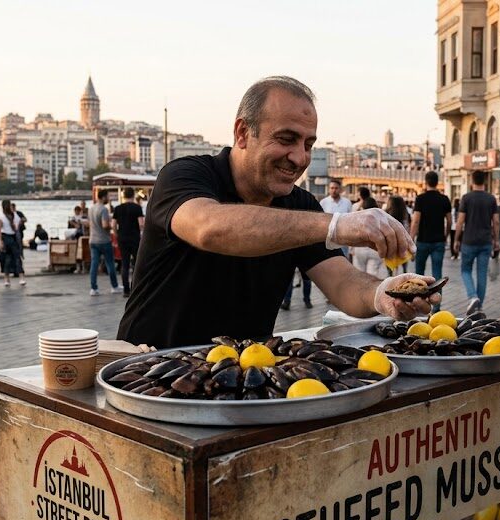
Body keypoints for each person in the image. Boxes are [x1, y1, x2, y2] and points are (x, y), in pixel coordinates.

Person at [116, 76, 432, 348]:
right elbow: (209, 227)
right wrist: (338, 225)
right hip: (149, 370)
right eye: (286, 139)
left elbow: (345, 284)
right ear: (242, 133)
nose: (299, 157)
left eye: (308, 144)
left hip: (241, 382)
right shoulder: (185, 175)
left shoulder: (303, 206)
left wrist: (383, 294)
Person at [455, 170, 499, 310]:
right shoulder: (491, 198)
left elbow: (460, 221)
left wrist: (456, 239)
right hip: (485, 241)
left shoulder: (466, 198)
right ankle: (479, 307)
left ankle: (473, 296)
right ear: (484, 181)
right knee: (482, 273)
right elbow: (496, 221)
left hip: (468, 241)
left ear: (471, 181)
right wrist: (496, 239)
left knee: (465, 270)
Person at [410, 171, 451, 297]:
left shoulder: (420, 199)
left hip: (422, 241)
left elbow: (416, 221)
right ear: (437, 182)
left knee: (419, 274)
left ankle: (418, 301)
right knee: (437, 274)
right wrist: (446, 235)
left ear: (426, 182)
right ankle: (436, 305)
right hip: (439, 241)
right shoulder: (444, 199)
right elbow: (449, 221)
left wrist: (411, 240)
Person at [112, 187, 144, 297]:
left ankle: (126, 290)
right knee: (136, 263)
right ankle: (135, 288)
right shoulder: (137, 208)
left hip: (122, 238)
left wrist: (117, 234)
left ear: (123, 196)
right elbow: (141, 224)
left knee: (124, 264)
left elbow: (113, 225)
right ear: (133, 195)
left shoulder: (117, 208)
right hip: (134, 238)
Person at [88, 189, 120, 296]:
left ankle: (93, 288)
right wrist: (113, 226)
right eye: (108, 196)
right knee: (110, 263)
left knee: (94, 264)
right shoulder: (104, 210)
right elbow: (105, 225)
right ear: (103, 197)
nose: (109, 198)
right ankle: (114, 286)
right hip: (104, 240)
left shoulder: (91, 208)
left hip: (93, 240)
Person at [319, 181, 353, 257]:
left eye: (336, 188)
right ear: (329, 189)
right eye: (332, 188)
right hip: (327, 238)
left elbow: (351, 220)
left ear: (340, 189)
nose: (334, 190)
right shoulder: (323, 202)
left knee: (343, 261)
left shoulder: (347, 202)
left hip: (344, 238)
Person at [0, 199, 25, 287]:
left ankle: (8, 278)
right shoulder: (5, 216)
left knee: (10, 258)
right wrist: (0, 241)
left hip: (9, 236)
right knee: (15, 257)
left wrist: (0, 241)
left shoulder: (10, 215)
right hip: (10, 236)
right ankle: (20, 277)